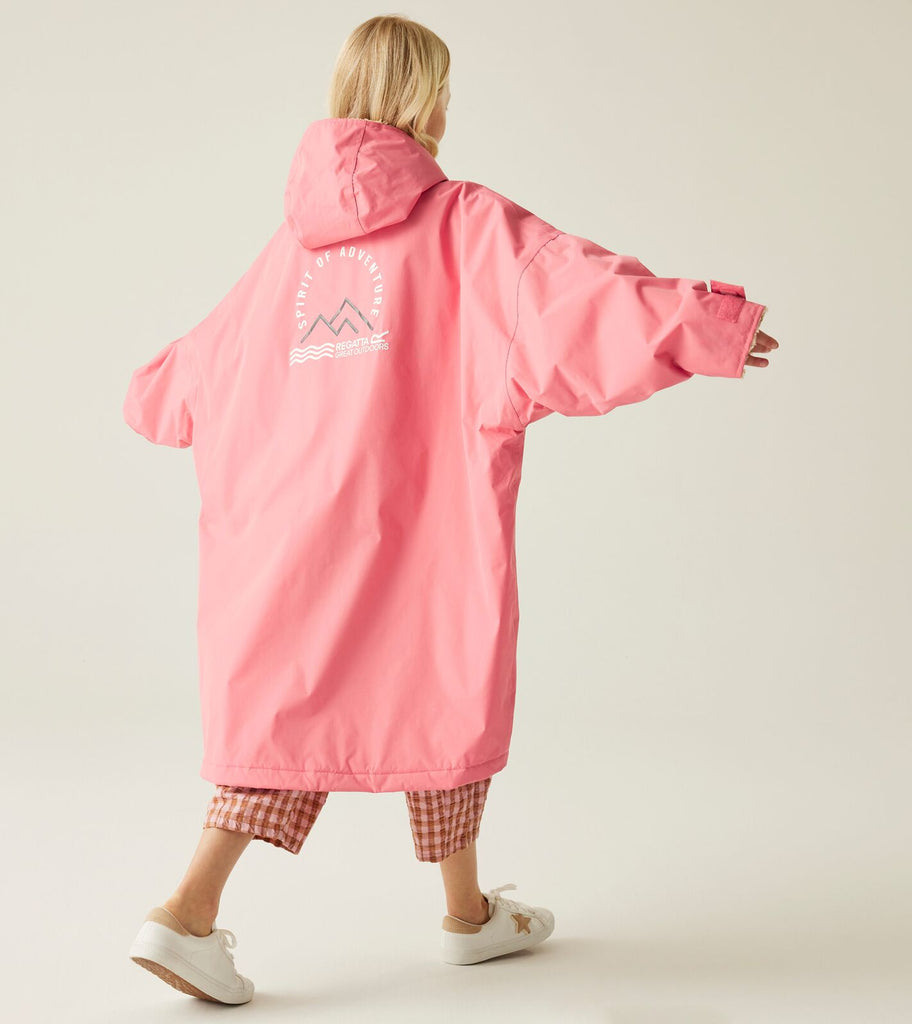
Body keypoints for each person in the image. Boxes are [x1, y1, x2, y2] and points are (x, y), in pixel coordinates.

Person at [125, 14, 779, 1006]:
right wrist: (700, 324)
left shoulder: (285, 256)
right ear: (428, 101)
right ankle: (186, 911)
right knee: (438, 678)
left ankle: (459, 914)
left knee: (301, 708)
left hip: (295, 546)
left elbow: (195, 372)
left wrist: (149, 393)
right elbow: (569, 301)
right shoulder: (464, 226)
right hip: (421, 531)